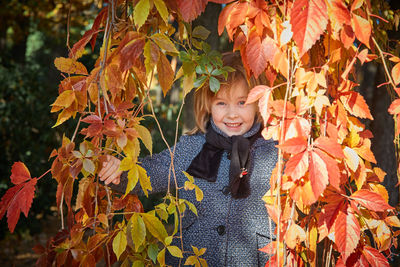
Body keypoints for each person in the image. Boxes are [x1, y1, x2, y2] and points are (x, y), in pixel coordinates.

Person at [99, 52, 278, 266]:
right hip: (192, 258)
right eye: (221, 103)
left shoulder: (274, 151)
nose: (232, 114)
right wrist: (121, 170)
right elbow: (153, 172)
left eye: (242, 102)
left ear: (259, 103)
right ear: (208, 105)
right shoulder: (193, 146)